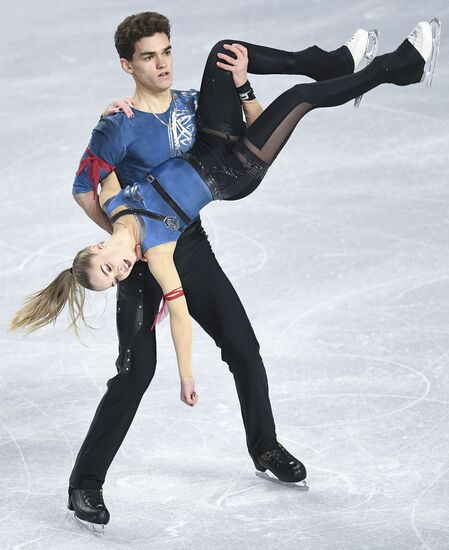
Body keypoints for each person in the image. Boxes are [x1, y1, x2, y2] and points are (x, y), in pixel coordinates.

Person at [11, 13, 440, 531]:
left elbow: (260, 128)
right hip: (149, 259)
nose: (163, 63)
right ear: (127, 65)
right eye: (149, 56)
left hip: (187, 241)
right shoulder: (117, 122)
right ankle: (85, 484)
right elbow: (85, 187)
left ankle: (265, 447)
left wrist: (242, 86)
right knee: (135, 372)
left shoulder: (192, 104)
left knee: (243, 346)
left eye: (166, 51)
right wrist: (128, 239)